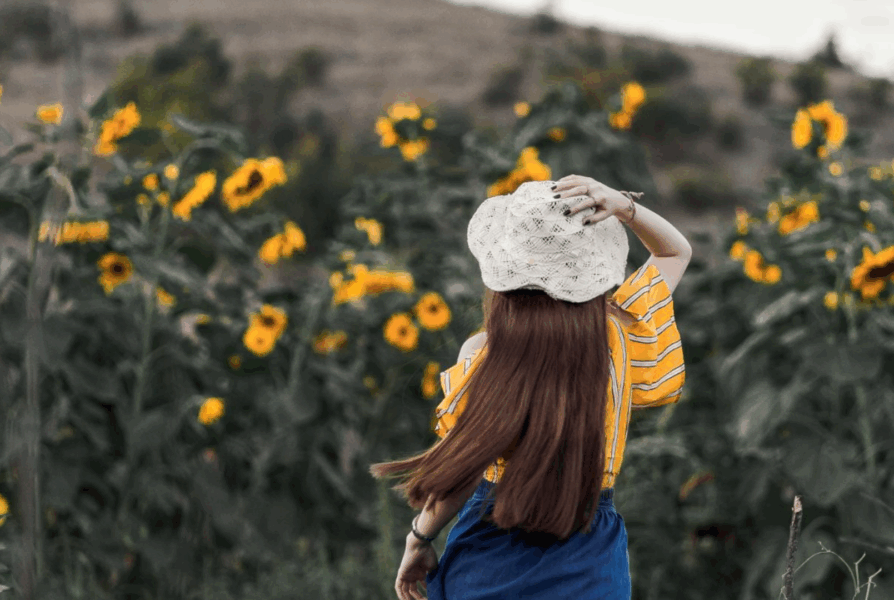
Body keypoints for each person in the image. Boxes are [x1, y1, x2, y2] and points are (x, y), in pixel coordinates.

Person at [369, 174, 693, 600]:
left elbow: (464, 470)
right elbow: (675, 252)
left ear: (502, 280)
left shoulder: (483, 357)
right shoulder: (621, 339)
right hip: (590, 557)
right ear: (591, 271)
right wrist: (623, 207)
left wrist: (419, 539)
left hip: (489, 556)